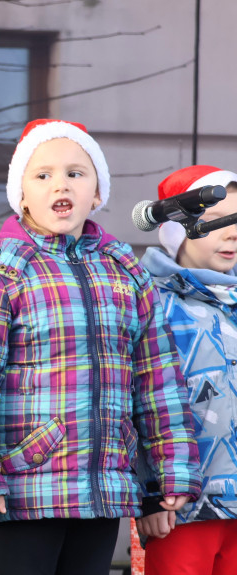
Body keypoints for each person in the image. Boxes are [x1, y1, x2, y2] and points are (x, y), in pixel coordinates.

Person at [0, 119, 202, 575]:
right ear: (20, 195)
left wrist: (168, 473)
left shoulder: (124, 270)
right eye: (43, 175)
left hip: (105, 483)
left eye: (76, 173)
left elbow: (158, 380)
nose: (60, 183)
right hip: (29, 480)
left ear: (97, 193)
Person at [137, 165, 237, 575]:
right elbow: (135, 402)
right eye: (215, 222)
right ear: (177, 228)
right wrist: (148, 495)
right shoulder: (150, 303)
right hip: (181, 510)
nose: (232, 233)